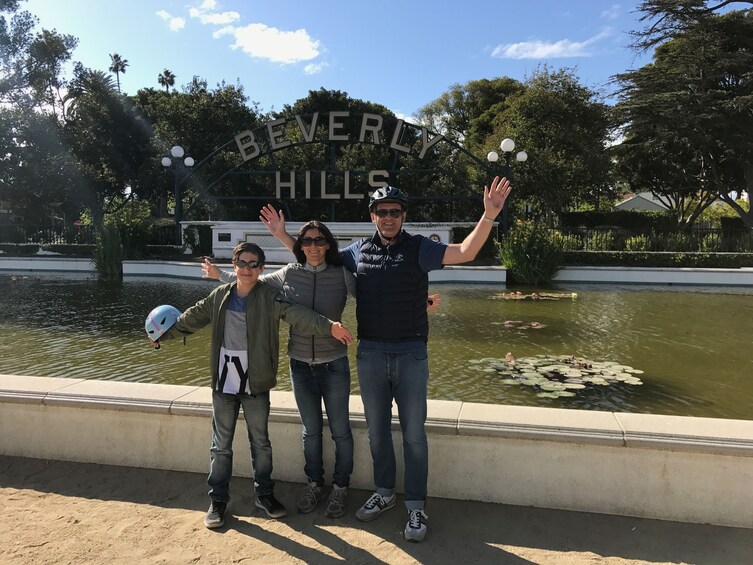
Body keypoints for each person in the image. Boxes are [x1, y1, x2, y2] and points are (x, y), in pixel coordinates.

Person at [258, 176, 512, 542]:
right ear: (373, 216)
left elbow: (465, 252)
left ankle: (416, 506)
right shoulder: (358, 251)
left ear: (403, 215)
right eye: (381, 212)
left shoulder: (420, 248)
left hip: (411, 354)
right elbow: (316, 253)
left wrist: (488, 217)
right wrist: (284, 235)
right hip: (371, 353)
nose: (388, 217)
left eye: (394, 212)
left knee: (413, 436)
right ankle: (384, 493)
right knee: (377, 434)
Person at [154, 241, 353, 530]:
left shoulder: (270, 297)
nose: (247, 269)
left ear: (261, 269)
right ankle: (218, 501)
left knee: (260, 443)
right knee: (220, 446)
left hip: (256, 381)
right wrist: (162, 336)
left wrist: (329, 326)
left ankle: (264, 495)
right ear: (234, 267)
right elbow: (189, 320)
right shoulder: (219, 296)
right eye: (242, 263)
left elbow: (299, 314)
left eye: (253, 264)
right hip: (224, 383)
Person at [202, 221, 356, 519]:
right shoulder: (289, 273)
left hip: (334, 364)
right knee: (310, 431)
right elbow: (248, 281)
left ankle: (340, 487)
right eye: (307, 241)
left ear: (327, 245)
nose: (313, 246)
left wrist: (415, 303)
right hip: (300, 364)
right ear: (301, 246)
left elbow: (374, 298)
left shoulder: (342, 275)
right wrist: (218, 274)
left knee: (340, 432)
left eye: (319, 240)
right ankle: (314, 483)